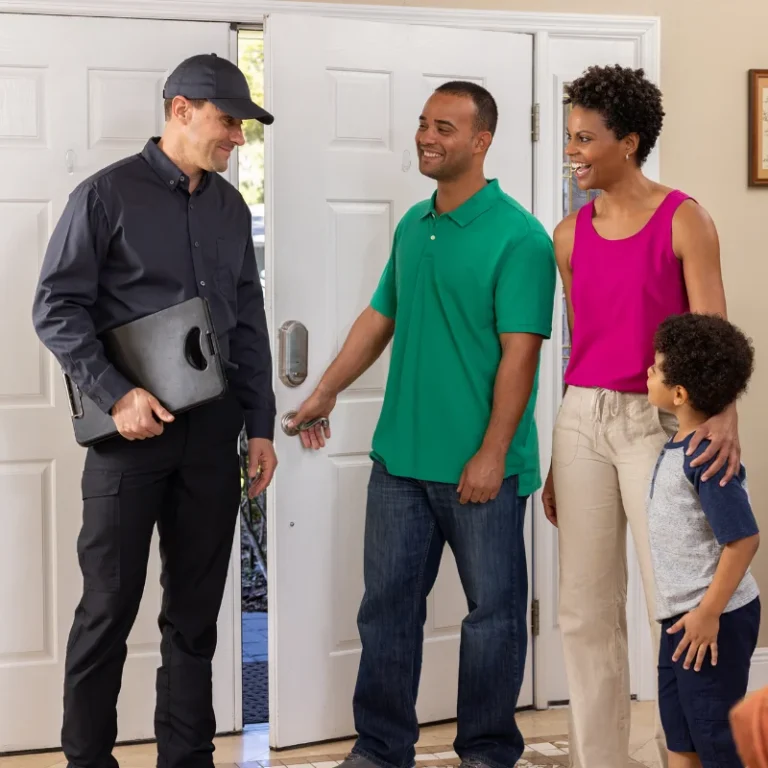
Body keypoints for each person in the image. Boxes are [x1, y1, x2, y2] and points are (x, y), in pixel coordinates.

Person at [290, 81, 556, 768]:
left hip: (479, 469)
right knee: (386, 613)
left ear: (481, 140)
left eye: (445, 126)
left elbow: (520, 355)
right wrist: (324, 392)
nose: (427, 137)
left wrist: (493, 452)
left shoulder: (520, 238)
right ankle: (379, 750)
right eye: (422, 124)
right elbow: (381, 317)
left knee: (494, 618)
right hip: (399, 464)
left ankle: (488, 753)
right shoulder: (415, 223)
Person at [32, 54, 277, 768]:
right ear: (180, 110)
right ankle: (87, 760)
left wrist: (259, 424)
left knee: (195, 615)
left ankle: (188, 757)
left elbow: (249, 323)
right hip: (127, 438)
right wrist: (117, 394)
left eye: (241, 126)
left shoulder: (231, 208)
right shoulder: (104, 196)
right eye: (228, 121)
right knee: (107, 610)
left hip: (212, 434)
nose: (237, 137)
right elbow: (56, 308)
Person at [541, 64, 741, 768]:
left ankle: (679, 754)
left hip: (659, 427)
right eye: (569, 137)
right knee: (585, 609)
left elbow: (714, 335)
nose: (573, 151)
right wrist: (558, 458)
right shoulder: (567, 236)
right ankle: (600, 759)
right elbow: (580, 344)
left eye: (585, 138)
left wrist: (722, 421)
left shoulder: (685, 219)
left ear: (627, 142)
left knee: (675, 599)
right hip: (581, 421)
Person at [647, 313, 759, 768]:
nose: (647, 373)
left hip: (713, 621)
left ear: (679, 394)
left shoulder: (707, 458)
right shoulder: (678, 443)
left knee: (716, 742)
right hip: (681, 619)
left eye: (655, 368)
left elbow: (744, 540)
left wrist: (708, 614)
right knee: (682, 737)